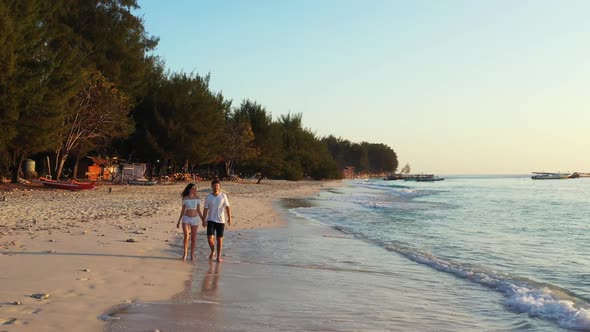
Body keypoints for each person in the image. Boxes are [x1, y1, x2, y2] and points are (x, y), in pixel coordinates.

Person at [202, 179, 231, 262]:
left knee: (219, 239)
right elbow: (205, 209)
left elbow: (227, 207)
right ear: (212, 187)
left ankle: (218, 257)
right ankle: (212, 250)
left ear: (220, 187)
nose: (216, 187)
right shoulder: (208, 197)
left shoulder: (223, 196)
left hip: (221, 221)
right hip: (210, 219)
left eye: (217, 186)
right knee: (210, 238)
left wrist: (229, 218)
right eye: (214, 186)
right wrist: (204, 220)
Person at [177, 183, 203, 261]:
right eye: (193, 188)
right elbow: (182, 210)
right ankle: (185, 254)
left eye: (195, 189)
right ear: (189, 189)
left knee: (194, 237)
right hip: (186, 218)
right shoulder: (185, 198)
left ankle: (192, 254)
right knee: (186, 236)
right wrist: (178, 221)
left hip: (194, 218)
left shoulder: (197, 198)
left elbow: (198, 210)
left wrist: (203, 220)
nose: (195, 190)